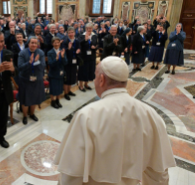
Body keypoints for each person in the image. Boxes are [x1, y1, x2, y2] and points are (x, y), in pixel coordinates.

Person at [54, 56, 176, 185]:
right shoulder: (151, 115)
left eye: (95, 77)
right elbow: (158, 174)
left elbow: (70, 175)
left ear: (101, 80)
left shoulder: (86, 116)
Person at [18, 36, 45, 124]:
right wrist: (29, 63)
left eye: (35, 43)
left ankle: (32, 114)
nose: (34, 44)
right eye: (32, 43)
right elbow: (20, 67)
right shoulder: (22, 53)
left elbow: (42, 66)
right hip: (25, 79)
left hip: (36, 78)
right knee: (25, 99)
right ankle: (25, 116)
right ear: (28, 43)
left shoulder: (40, 52)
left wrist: (36, 62)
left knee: (34, 97)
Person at [48, 37, 67, 109]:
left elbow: (65, 63)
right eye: (55, 42)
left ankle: (57, 100)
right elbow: (50, 64)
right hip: (53, 73)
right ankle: (52, 101)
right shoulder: (50, 52)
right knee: (53, 88)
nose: (56, 44)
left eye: (58, 42)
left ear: (60, 43)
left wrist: (62, 57)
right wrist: (56, 59)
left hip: (61, 72)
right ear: (52, 43)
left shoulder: (62, 51)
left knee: (59, 87)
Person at [78, 23, 98, 91]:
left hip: (91, 56)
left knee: (89, 71)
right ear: (85, 29)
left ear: (92, 29)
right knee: (83, 71)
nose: (89, 30)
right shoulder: (82, 36)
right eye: (88, 28)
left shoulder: (94, 36)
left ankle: (86, 84)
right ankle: (81, 85)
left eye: (90, 28)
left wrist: (95, 47)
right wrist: (85, 40)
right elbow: (79, 44)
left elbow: (96, 44)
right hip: (84, 57)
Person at [62, 27, 80, 100]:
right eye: (69, 33)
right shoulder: (65, 41)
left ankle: (69, 91)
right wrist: (68, 49)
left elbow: (79, 48)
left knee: (72, 77)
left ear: (74, 33)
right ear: (67, 33)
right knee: (67, 78)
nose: (71, 34)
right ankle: (65, 93)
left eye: (72, 32)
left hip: (74, 62)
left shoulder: (77, 41)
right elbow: (63, 51)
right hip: (67, 62)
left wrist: (79, 50)